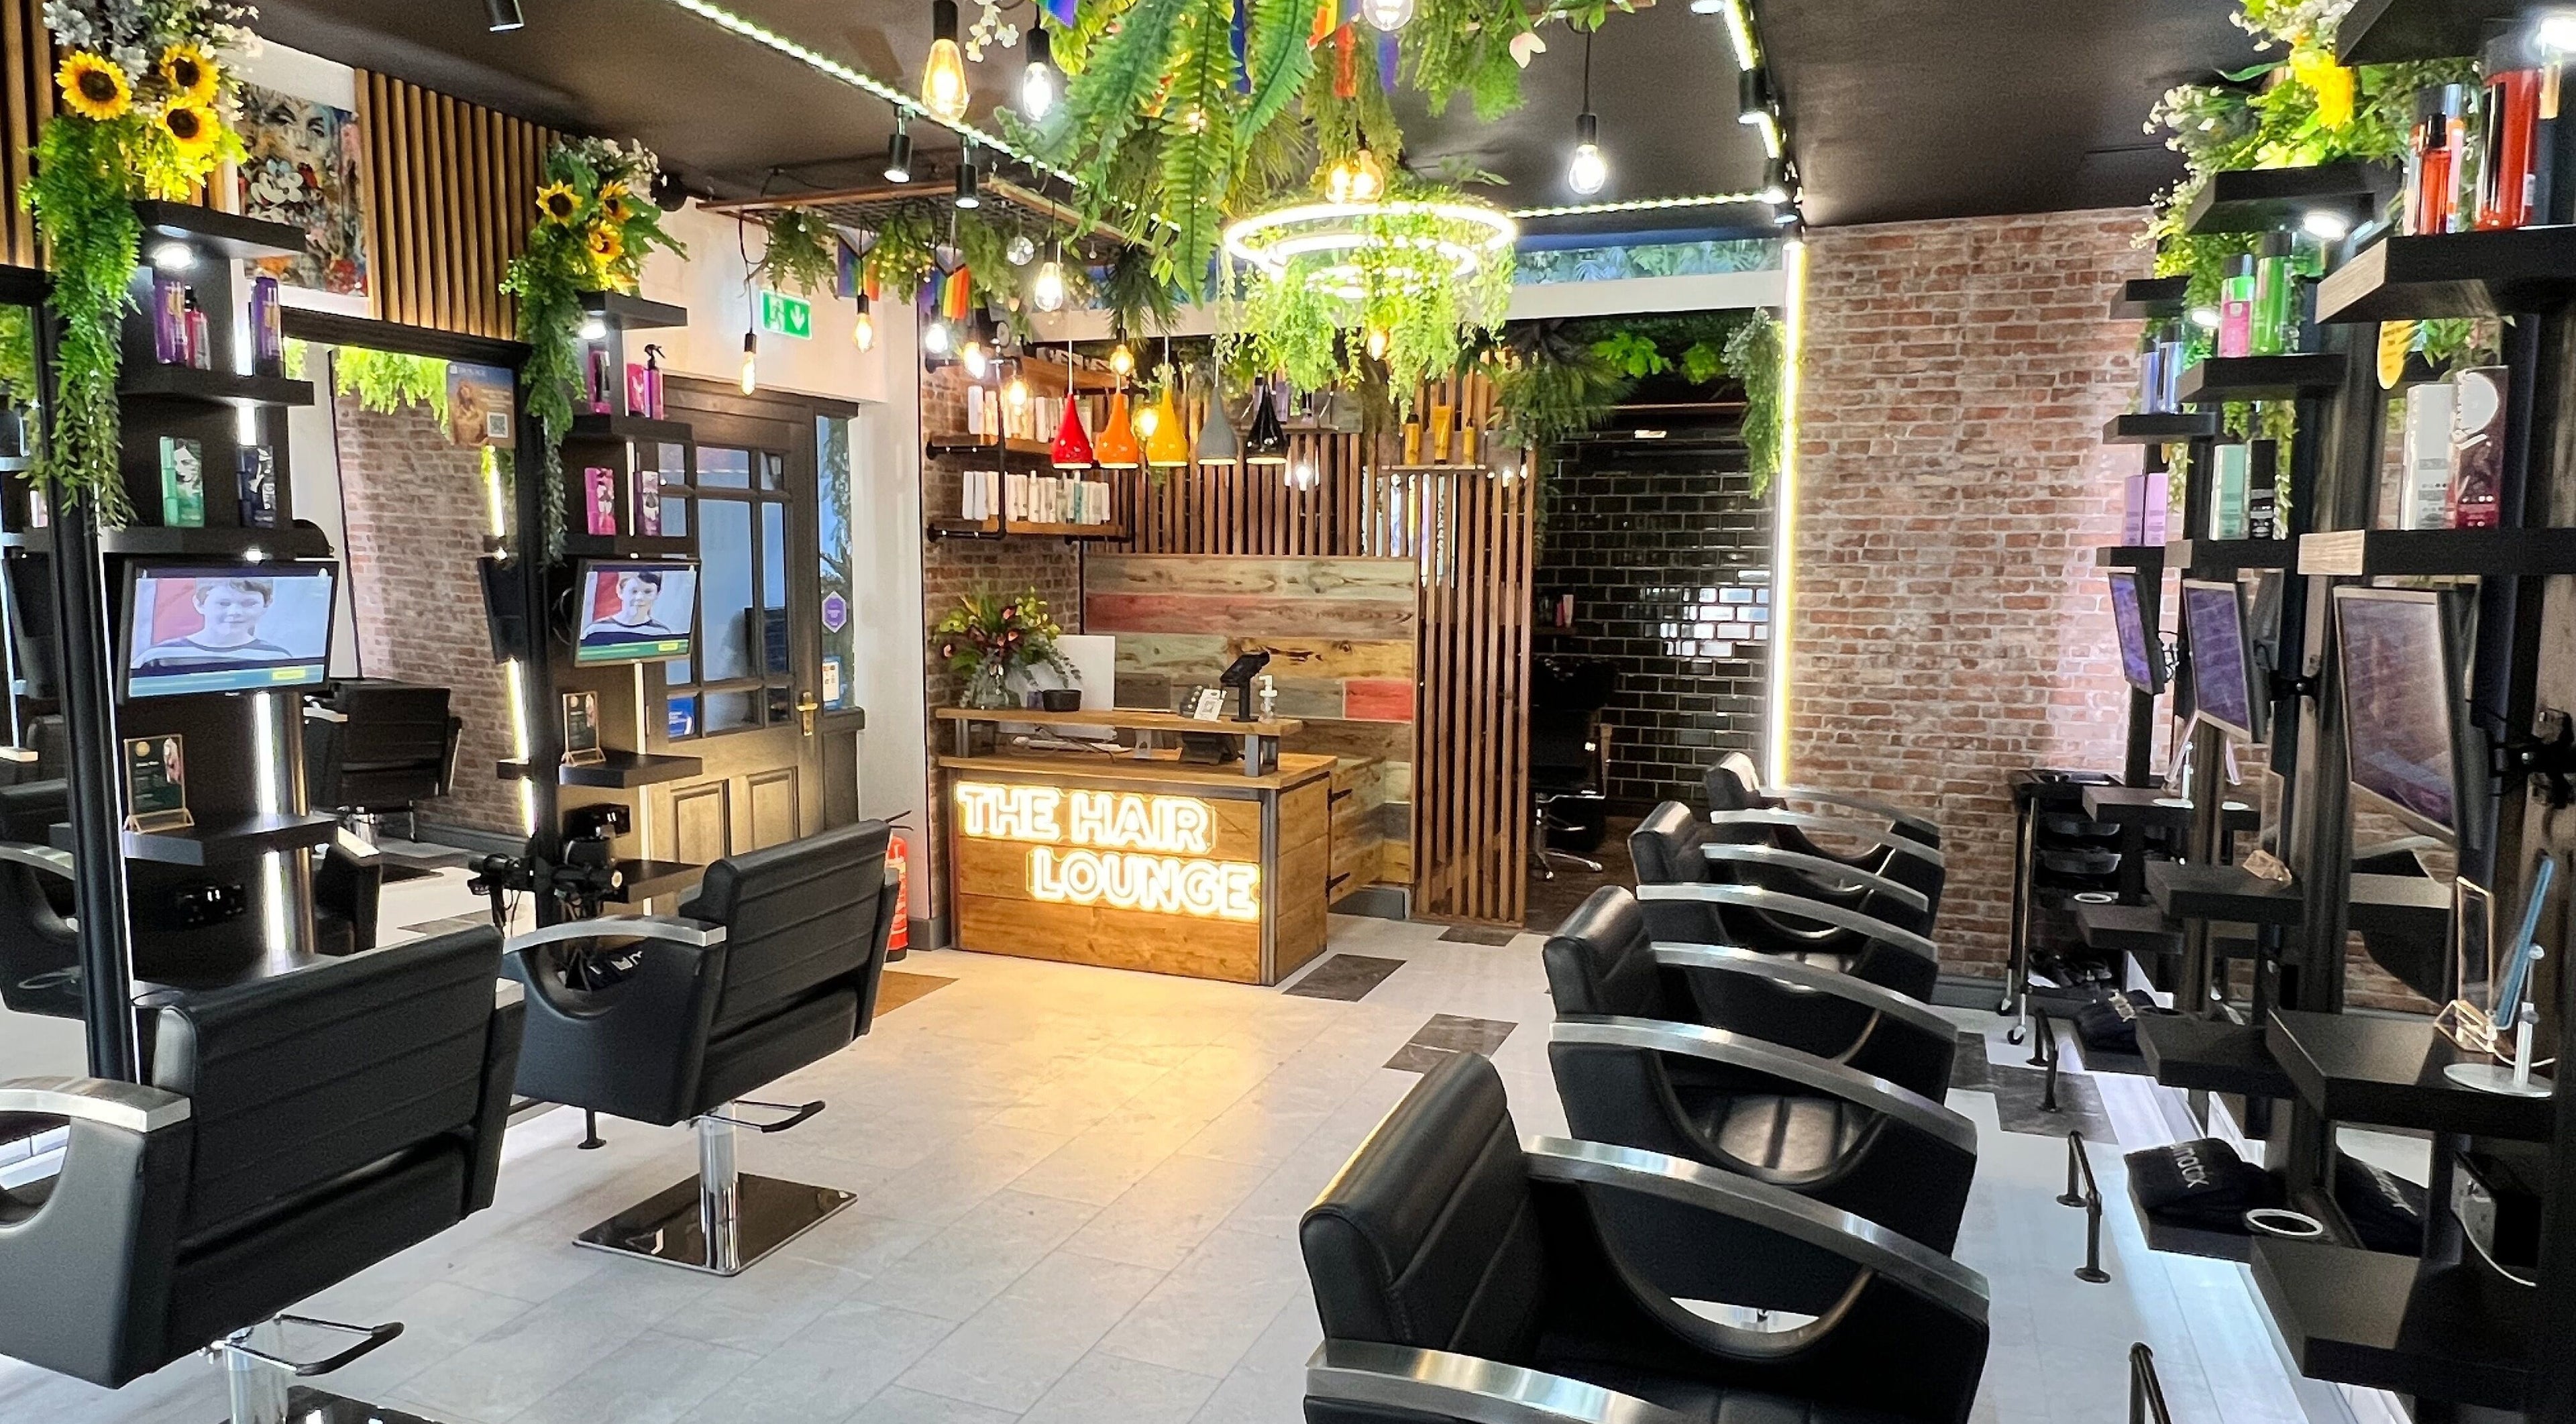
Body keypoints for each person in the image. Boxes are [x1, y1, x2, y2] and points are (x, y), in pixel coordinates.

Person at [136, 577, 290, 669]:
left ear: (266, 605)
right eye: (223, 603)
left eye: (249, 603)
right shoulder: (156, 657)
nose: (235, 612)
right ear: (200, 604)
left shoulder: (277, 657)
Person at [580, 569, 682, 653]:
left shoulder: (662, 633)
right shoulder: (595, 630)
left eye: (648, 592)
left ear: (658, 594)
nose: (640, 597)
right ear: (620, 591)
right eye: (634, 591)